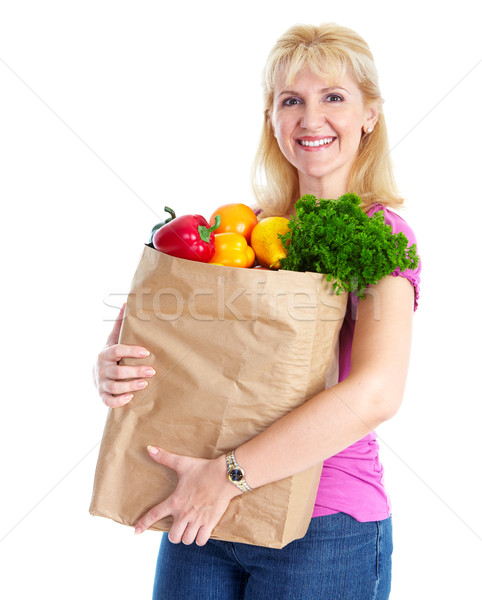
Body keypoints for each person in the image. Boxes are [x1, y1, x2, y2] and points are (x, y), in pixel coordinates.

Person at [94, 23, 421, 600]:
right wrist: (117, 367)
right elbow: (182, 353)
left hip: (322, 526)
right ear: (271, 117)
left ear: (370, 113)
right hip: (203, 513)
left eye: (334, 97)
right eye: (291, 100)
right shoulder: (241, 233)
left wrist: (227, 476)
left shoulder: (382, 235)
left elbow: (376, 392)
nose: (310, 118)